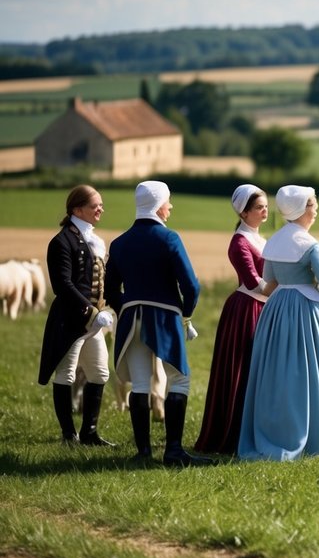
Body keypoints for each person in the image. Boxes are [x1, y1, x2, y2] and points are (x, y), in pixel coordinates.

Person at [239, 186, 319, 460]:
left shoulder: (274, 242)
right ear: (303, 208)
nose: (315, 210)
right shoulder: (311, 245)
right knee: (313, 369)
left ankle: (276, 428)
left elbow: (269, 284)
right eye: (313, 205)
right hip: (307, 310)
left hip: (277, 309)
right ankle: (316, 433)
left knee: (278, 370)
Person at [105, 181, 212, 466]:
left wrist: (126, 307)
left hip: (130, 319)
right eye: (169, 201)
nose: (171, 206)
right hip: (164, 316)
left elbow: (110, 290)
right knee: (179, 379)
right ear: (158, 205)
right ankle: (174, 451)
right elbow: (191, 286)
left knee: (140, 382)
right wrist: (184, 313)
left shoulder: (119, 243)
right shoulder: (169, 239)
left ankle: (143, 453)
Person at [194, 184, 272, 454]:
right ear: (244, 213)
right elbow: (254, 283)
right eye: (259, 207)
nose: (265, 211)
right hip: (246, 310)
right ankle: (232, 433)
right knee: (242, 370)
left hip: (263, 308)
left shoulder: (261, 239)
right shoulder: (239, 242)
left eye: (265, 206)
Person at [39, 185, 115, 446]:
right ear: (77, 209)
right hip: (71, 320)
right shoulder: (61, 242)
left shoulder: (95, 240)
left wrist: (106, 308)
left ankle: (89, 433)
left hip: (93, 323)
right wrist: (92, 311)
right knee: (66, 375)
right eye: (95, 205)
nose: (100, 210)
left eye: (101, 205)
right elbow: (62, 285)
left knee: (99, 373)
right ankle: (69, 435)